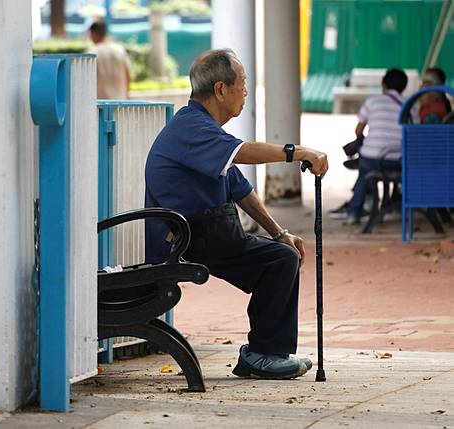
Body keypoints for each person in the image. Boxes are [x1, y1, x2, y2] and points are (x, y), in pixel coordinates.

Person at [144, 49, 329, 380]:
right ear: (220, 90)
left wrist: (279, 233)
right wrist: (298, 152)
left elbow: (240, 190)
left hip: (207, 232)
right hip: (187, 237)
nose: (245, 91)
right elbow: (243, 153)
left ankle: (265, 354)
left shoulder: (205, 131)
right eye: (242, 84)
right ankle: (262, 355)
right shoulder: (191, 127)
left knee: (280, 253)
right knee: (279, 261)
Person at [330, 68, 408, 224]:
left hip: (372, 158)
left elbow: (358, 130)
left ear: (383, 84)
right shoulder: (409, 106)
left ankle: (354, 211)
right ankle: (389, 204)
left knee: (364, 172)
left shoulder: (373, 102)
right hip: (399, 159)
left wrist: (366, 141)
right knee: (369, 169)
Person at [87, 20, 131, 99]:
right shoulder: (120, 50)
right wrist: (127, 95)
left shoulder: (92, 52)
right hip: (120, 100)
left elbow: (87, 79)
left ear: (93, 34)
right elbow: (127, 74)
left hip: (100, 103)